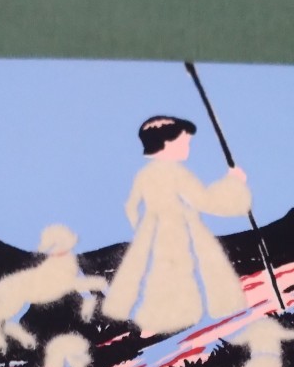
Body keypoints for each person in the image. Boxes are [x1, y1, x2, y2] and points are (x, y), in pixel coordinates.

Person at [102, 115, 252, 335]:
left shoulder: (144, 174)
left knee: (158, 274)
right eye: (184, 143)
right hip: (180, 229)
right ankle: (198, 314)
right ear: (167, 143)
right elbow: (205, 201)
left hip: (153, 230)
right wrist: (233, 182)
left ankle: (161, 319)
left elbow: (131, 206)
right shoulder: (177, 173)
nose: (188, 148)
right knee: (191, 268)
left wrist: (143, 228)